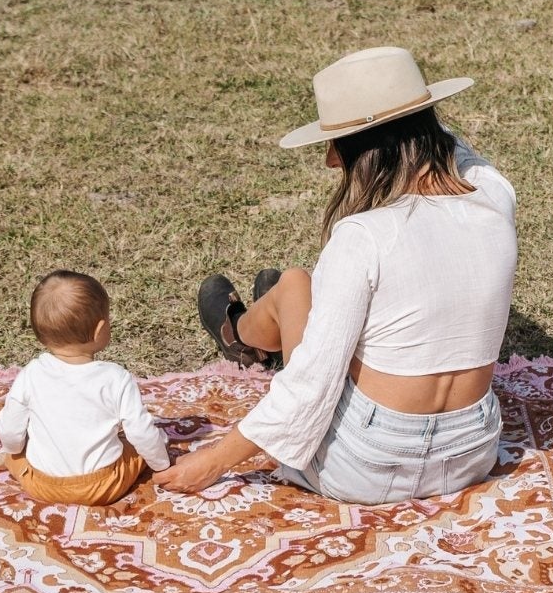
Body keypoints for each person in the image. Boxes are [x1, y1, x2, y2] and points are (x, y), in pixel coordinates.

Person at [154, 46, 516, 504]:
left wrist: (214, 461)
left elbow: (312, 383)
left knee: (294, 284)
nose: (330, 160)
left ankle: (242, 336)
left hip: (367, 467)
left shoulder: (363, 236)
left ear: (367, 150)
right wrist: (408, 110)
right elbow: (446, 142)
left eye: (336, 145)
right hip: (472, 455)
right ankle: (268, 323)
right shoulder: (494, 195)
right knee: (310, 296)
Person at [0, 270, 170, 505]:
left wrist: (14, 449)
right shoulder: (116, 378)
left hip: (42, 485)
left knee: (13, 455)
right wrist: (162, 464)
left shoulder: (31, 374)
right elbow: (140, 432)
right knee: (142, 445)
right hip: (103, 486)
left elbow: (10, 431)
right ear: (99, 330)